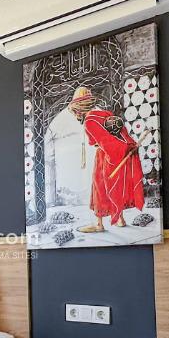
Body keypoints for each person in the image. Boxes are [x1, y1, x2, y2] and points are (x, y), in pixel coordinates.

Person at [68, 85, 144, 232]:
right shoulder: (105, 113)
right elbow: (122, 133)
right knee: (116, 186)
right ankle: (120, 219)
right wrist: (129, 145)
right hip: (117, 153)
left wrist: (120, 149)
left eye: (76, 111)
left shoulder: (89, 121)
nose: (76, 114)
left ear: (79, 108)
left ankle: (99, 224)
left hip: (106, 156)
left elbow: (106, 142)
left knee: (100, 188)